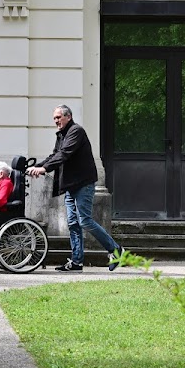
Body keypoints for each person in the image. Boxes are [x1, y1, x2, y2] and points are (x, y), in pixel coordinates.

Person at [28, 104, 124, 272]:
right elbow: (55, 155)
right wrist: (38, 166)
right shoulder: (62, 135)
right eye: (54, 118)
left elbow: (64, 154)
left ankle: (116, 250)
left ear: (68, 117)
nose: (56, 121)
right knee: (73, 223)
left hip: (83, 184)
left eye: (58, 117)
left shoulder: (76, 132)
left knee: (84, 220)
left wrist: (44, 169)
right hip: (71, 185)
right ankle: (76, 262)